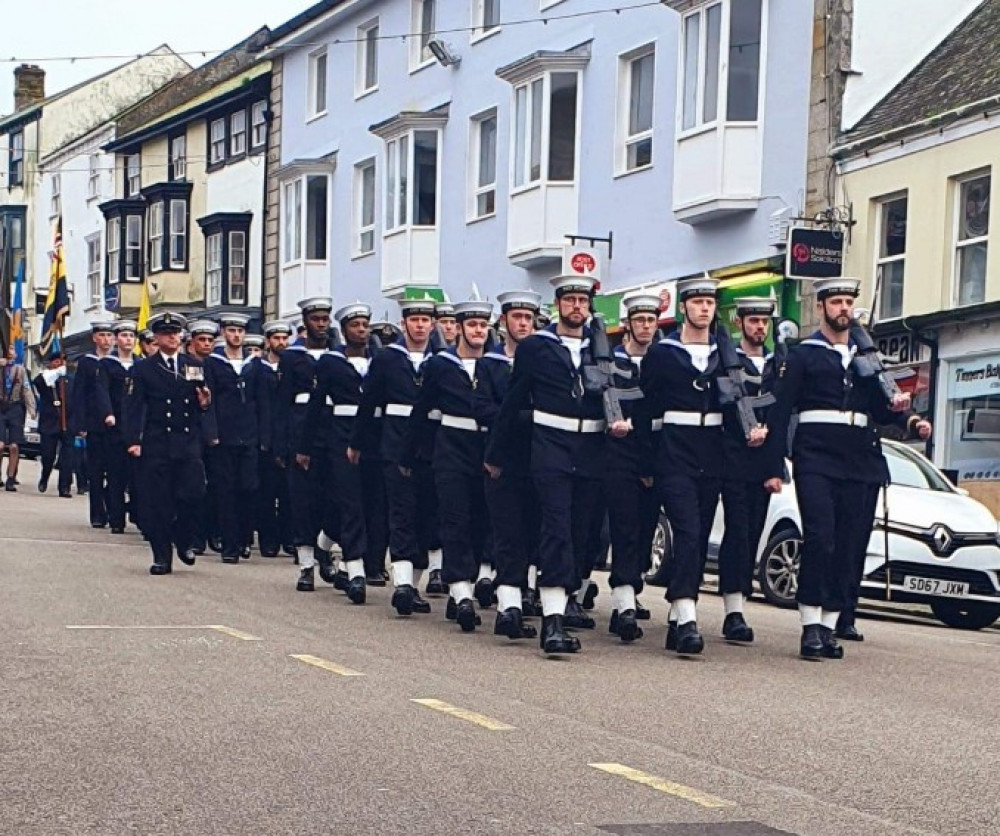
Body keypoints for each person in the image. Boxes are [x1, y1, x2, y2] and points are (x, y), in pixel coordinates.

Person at [765, 277, 931, 659]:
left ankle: (830, 623)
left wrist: (909, 419)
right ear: (821, 307)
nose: (843, 308)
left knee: (850, 544)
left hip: (859, 460)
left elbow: (881, 407)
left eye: (847, 302)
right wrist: (773, 463)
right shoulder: (804, 355)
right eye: (836, 301)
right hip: (816, 457)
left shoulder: (865, 359)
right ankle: (809, 623)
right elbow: (780, 409)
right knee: (820, 536)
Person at [639, 276, 768, 656]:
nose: (704, 309)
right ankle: (688, 618)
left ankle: (679, 616)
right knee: (689, 531)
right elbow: (646, 410)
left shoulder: (726, 356)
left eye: (710, 304)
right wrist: (646, 461)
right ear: (684, 308)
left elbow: (738, 406)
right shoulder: (664, 354)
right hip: (674, 452)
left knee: (695, 535)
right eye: (697, 303)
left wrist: (753, 430)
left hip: (712, 455)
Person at [485, 275, 614, 656]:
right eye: (570, 299)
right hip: (550, 447)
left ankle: (563, 600)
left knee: (579, 530)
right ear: (558, 304)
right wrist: (496, 455)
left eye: (583, 300)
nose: (577, 306)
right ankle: (552, 622)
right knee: (556, 527)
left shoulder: (603, 349)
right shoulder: (536, 348)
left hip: (591, 449)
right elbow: (512, 404)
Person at [404, 299, 494, 631]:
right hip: (451, 450)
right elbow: (422, 411)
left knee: (481, 524)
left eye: (483, 326)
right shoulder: (441, 366)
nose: (478, 332)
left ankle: (467, 588)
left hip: (485, 450)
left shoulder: (495, 365)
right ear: (458, 328)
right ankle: (461, 592)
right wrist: (410, 455)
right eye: (472, 326)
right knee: (455, 521)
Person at [350, 298, 437, 617]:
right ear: (405, 324)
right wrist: (359, 442)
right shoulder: (387, 358)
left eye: (425, 320)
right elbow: (369, 402)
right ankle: (402, 584)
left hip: (431, 446)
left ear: (433, 325)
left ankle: (413, 582)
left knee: (426, 517)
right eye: (414, 319)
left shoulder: (440, 359)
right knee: (401, 512)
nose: (419, 325)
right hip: (394, 443)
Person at [299, 302, 388, 604]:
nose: (361, 330)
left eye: (365, 325)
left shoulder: (380, 360)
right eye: (355, 326)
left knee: (373, 504)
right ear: (344, 330)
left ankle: (328, 544)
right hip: (340, 437)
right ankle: (355, 571)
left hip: (376, 439)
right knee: (350, 504)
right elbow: (316, 406)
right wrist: (305, 447)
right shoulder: (331, 363)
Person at [474, 290, 542, 640]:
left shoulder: (543, 361)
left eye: (529, 319)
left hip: (539, 457)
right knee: (507, 533)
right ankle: (508, 606)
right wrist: (518, 418)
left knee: (532, 530)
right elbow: (483, 408)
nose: (524, 324)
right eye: (518, 318)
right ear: (504, 323)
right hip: (501, 457)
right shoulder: (489, 364)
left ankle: (525, 593)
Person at [125, 312, 212, 575]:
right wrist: (133, 440)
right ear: (157, 338)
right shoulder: (143, 369)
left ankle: (184, 536)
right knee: (158, 503)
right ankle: (162, 555)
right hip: (157, 442)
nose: (172, 338)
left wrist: (205, 405)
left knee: (193, 495)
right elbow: (132, 406)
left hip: (187, 441)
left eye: (175, 333)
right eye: (166, 334)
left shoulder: (193, 364)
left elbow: (200, 402)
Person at [716, 297, 777, 643]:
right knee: (737, 532)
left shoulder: (776, 363)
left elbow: (781, 415)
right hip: (733, 458)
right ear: (740, 324)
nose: (759, 328)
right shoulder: (726, 362)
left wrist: (774, 466)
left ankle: (740, 599)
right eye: (753, 321)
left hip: (763, 461)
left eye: (763, 322)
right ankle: (733, 609)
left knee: (753, 532)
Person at [604, 293, 661, 643]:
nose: (645, 327)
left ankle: (631, 588)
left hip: (656, 450)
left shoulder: (664, 359)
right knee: (624, 525)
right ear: (628, 323)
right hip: (620, 451)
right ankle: (623, 600)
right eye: (640, 320)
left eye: (651, 321)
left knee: (646, 526)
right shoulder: (611, 361)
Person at [276, 298, 339, 592]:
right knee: (303, 501)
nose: (322, 324)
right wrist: (282, 444)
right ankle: (305, 565)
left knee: (334, 499)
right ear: (305, 322)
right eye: (316, 319)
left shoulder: (337, 355)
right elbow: (282, 403)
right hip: (301, 430)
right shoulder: (292, 357)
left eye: (325, 319)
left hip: (333, 428)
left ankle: (324, 547)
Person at [204, 313, 266, 564]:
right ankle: (230, 545)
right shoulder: (213, 363)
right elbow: (208, 402)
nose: (236, 335)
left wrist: (264, 436)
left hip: (249, 435)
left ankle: (244, 538)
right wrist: (212, 433)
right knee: (226, 491)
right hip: (225, 436)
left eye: (240, 331)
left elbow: (263, 403)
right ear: (223, 334)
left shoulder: (254, 364)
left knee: (249, 488)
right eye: (231, 331)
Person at [71, 322, 116, 524]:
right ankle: (97, 513)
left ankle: (113, 507)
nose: (106, 339)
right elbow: (79, 394)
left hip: (117, 424)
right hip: (95, 424)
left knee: (116, 470)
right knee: (96, 470)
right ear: (95, 339)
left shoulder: (119, 362)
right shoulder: (87, 363)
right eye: (103, 335)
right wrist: (80, 424)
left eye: (109, 335)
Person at [255, 321, 293, 558]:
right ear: (268, 341)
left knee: (289, 493)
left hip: (289, 437)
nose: (281, 342)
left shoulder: (292, 367)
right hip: (265, 436)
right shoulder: (257, 370)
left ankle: (289, 538)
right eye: (276, 338)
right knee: (267, 493)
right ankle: (268, 540)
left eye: (284, 338)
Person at [186, 320, 221, 553]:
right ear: (192, 342)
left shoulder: (217, 365)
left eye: (210, 340)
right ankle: (195, 537)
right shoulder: (190, 366)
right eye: (202, 340)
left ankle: (213, 533)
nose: (207, 344)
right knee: (195, 487)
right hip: (194, 433)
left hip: (217, 432)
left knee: (216, 487)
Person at [103, 320, 138, 533]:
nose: (128, 340)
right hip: (115, 427)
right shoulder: (106, 365)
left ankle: (138, 514)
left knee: (138, 477)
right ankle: (116, 519)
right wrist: (108, 414)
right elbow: (102, 391)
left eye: (131, 337)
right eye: (124, 336)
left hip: (135, 426)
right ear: (116, 339)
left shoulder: (141, 365)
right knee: (116, 475)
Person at [33, 351, 75, 498]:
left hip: (68, 424)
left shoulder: (70, 380)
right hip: (49, 423)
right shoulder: (46, 379)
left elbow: (78, 401)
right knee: (48, 456)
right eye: (56, 361)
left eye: (62, 361)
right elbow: (37, 383)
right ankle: (45, 477)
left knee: (68, 457)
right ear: (51, 363)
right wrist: (54, 373)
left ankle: (64, 487)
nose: (59, 364)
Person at [1, 344, 36, 491]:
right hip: (1, 407)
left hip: (15, 408)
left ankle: (10, 477)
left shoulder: (20, 370)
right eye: (8, 349)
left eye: (12, 349)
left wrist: (31, 408)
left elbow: (26, 389)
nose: (10, 352)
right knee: (1, 445)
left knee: (14, 446)